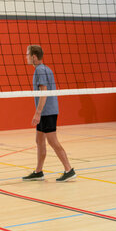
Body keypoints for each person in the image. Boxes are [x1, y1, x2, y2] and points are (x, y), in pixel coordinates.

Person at [22, 45, 76, 182]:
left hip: (47, 112)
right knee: (39, 140)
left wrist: (37, 113)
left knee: (52, 141)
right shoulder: (46, 69)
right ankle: (39, 171)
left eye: (28, 54)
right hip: (47, 111)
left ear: (34, 56)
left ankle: (69, 170)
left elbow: (44, 93)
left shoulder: (40, 71)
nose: (26, 57)